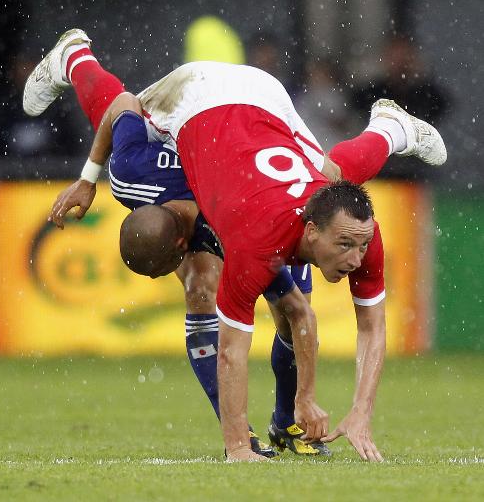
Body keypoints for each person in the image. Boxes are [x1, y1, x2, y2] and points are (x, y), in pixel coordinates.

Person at [24, 29, 446, 462]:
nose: (182, 267)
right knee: (307, 195)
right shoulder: (151, 180)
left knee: (327, 193)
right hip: (249, 116)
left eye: (175, 262)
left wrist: (87, 177)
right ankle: (390, 129)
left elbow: (121, 104)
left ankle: (75, 55)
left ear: (182, 244)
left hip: (200, 96)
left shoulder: (149, 180)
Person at [351, 34, 451, 180]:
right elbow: (355, 107)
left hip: (417, 169)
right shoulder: (372, 91)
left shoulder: (424, 92)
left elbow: (441, 104)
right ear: (386, 59)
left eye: (404, 58)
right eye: (395, 58)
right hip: (381, 168)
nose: (399, 63)